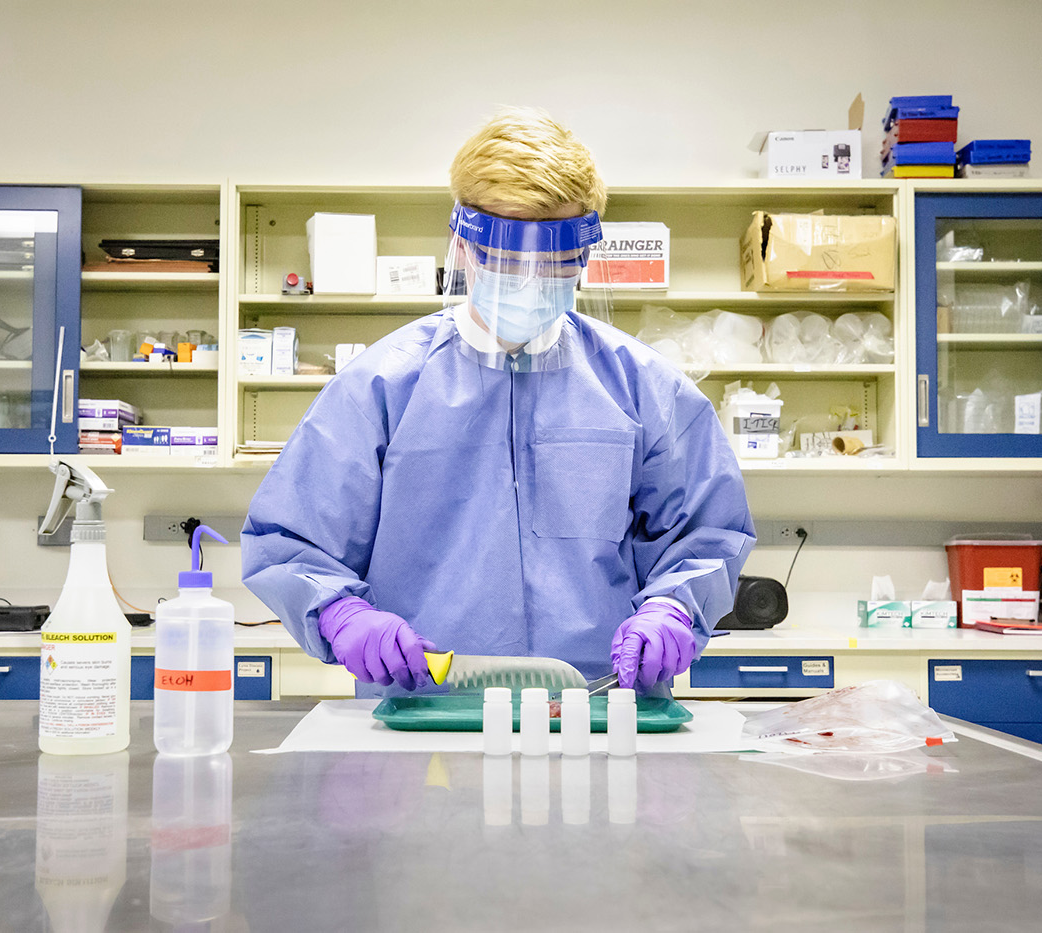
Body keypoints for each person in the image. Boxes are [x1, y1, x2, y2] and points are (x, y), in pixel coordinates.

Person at [241, 108, 755, 697]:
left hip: (598, 710)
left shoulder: (645, 390)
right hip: (424, 714)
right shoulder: (380, 388)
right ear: (463, 244)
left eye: (553, 260)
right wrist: (342, 615)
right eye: (508, 258)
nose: (530, 279)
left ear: (585, 253)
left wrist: (673, 609)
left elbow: (705, 535)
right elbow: (292, 540)